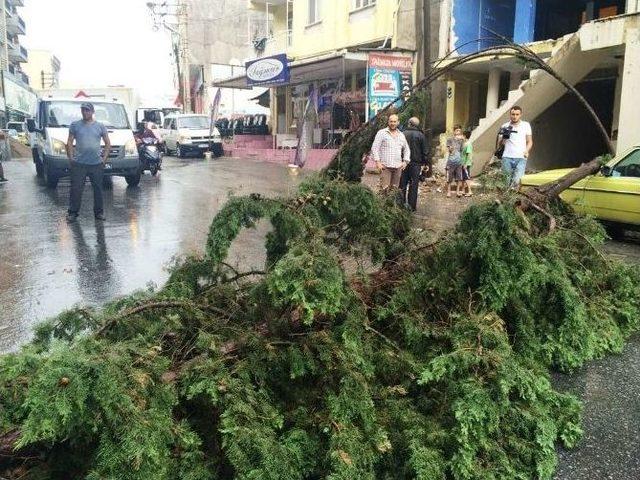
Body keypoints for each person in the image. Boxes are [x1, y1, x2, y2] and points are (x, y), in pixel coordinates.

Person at [66, 102, 111, 222]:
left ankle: (99, 213)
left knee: (98, 189)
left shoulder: (100, 126)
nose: (85, 112)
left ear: (92, 112)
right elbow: (69, 142)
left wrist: (104, 159)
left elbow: (107, 143)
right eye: (83, 110)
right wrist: (71, 157)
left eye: (87, 110)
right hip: (79, 164)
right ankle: (73, 213)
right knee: (76, 189)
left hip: (96, 164)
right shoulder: (75, 125)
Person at [371, 114, 410, 192]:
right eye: (391, 121)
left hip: (398, 167)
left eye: (394, 121)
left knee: (394, 191)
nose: (393, 123)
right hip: (385, 167)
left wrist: (405, 162)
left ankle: (393, 204)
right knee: (384, 190)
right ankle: (384, 204)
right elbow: (375, 148)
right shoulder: (381, 133)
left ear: (398, 122)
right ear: (388, 122)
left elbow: (407, 149)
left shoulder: (401, 135)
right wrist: (378, 162)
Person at [497, 106, 533, 189]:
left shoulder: (526, 125)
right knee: (506, 181)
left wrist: (526, 151)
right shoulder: (505, 126)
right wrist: (504, 137)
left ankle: (514, 200)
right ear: (510, 114)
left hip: (521, 157)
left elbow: (530, 141)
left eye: (517, 114)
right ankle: (505, 200)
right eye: (513, 114)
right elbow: (500, 144)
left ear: (520, 115)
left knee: (517, 181)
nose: (515, 116)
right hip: (507, 157)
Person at [400, 117, 429, 211]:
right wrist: (425, 164)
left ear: (409, 123)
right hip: (416, 165)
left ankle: (401, 206)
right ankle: (411, 207)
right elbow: (425, 151)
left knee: (402, 185)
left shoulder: (402, 134)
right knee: (413, 186)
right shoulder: (421, 135)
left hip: (403, 163)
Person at [445, 125, 465, 198]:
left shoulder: (461, 140)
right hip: (451, 161)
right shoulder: (450, 139)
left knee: (459, 177)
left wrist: (463, 140)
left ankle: (457, 191)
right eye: (457, 130)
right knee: (449, 178)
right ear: (454, 131)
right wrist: (452, 146)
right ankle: (449, 192)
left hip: (459, 161)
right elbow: (449, 150)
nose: (458, 132)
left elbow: (462, 150)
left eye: (459, 131)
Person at [461, 130, 473, 197]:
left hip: (466, 164)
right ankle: (463, 190)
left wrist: (466, 164)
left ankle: (470, 191)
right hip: (463, 163)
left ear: (465, 136)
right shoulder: (465, 143)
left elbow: (468, 154)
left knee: (467, 177)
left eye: (462, 135)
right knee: (463, 177)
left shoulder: (468, 144)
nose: (461, 136)